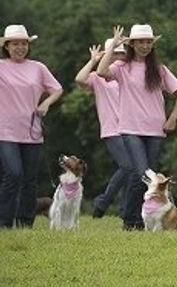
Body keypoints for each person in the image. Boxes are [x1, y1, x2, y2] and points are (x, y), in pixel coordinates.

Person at [97, 24, 177, 230]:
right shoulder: (121, 67)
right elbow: (101, 71)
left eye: (148, 42)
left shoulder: (159, 69)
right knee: (143, 175)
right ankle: (131, 221)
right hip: (130, 129)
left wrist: (172, 118)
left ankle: (136, 219)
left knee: (148, 179)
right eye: (141, 42)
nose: (145, 46)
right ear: (133, 44)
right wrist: (113, 47)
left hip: (156, 131)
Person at [0, 25, 63, 228]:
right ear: (6, 46)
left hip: (32, 131)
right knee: (13, 174)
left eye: (24, 43)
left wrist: (45, 103)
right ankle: (4, 221)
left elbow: (57, 89)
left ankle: (25, 222)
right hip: (5, 131)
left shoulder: (38, 68)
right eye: (15, 44)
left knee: (29, 179)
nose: (20, 47)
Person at [74, 39, 130, 219]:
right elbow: (80, 79)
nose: (118, 56)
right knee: (128, 167)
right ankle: (102, 203)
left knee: (132, 171)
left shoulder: (127, 74)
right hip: (112, 130)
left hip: (132, 128)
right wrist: (93, 60)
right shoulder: (98, 78)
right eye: (115, 53)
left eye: (121, 53)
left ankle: (124, 210)